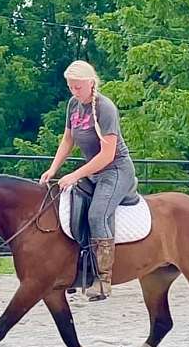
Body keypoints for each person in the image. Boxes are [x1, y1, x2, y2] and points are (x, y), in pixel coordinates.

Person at [40, 60, 138, 301]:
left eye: (78, 87)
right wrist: (53, 169)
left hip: (115, 170)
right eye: (71, 87)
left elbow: (107, 154)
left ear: (91, 83)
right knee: (70, 206)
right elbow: (67, 140)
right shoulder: (73, 105)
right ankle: (78, 270)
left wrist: (74, 175)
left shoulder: (106, 108)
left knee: (96, 215)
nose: (74, 92)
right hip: (93, 171)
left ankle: (103, 280)